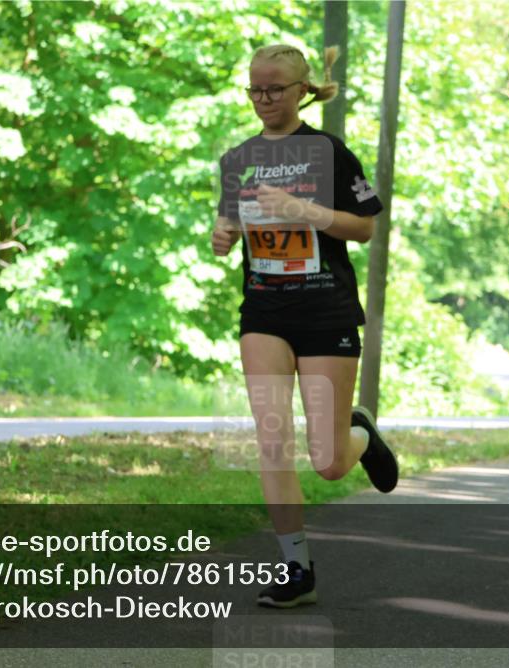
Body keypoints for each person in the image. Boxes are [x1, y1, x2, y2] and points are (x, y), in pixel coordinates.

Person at [212, 44, 398, 608]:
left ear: (301, 91)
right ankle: (297, 569)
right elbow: (229, 225)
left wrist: (306, 213)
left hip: (325, 310)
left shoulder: (327, 151)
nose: (263, 99)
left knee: (327, 461)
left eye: (274, 89)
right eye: (254, 89)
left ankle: (360, 434)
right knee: (272, 441)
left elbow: (364, 229)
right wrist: (223, 238)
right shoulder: (237, 159)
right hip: (264, 310)